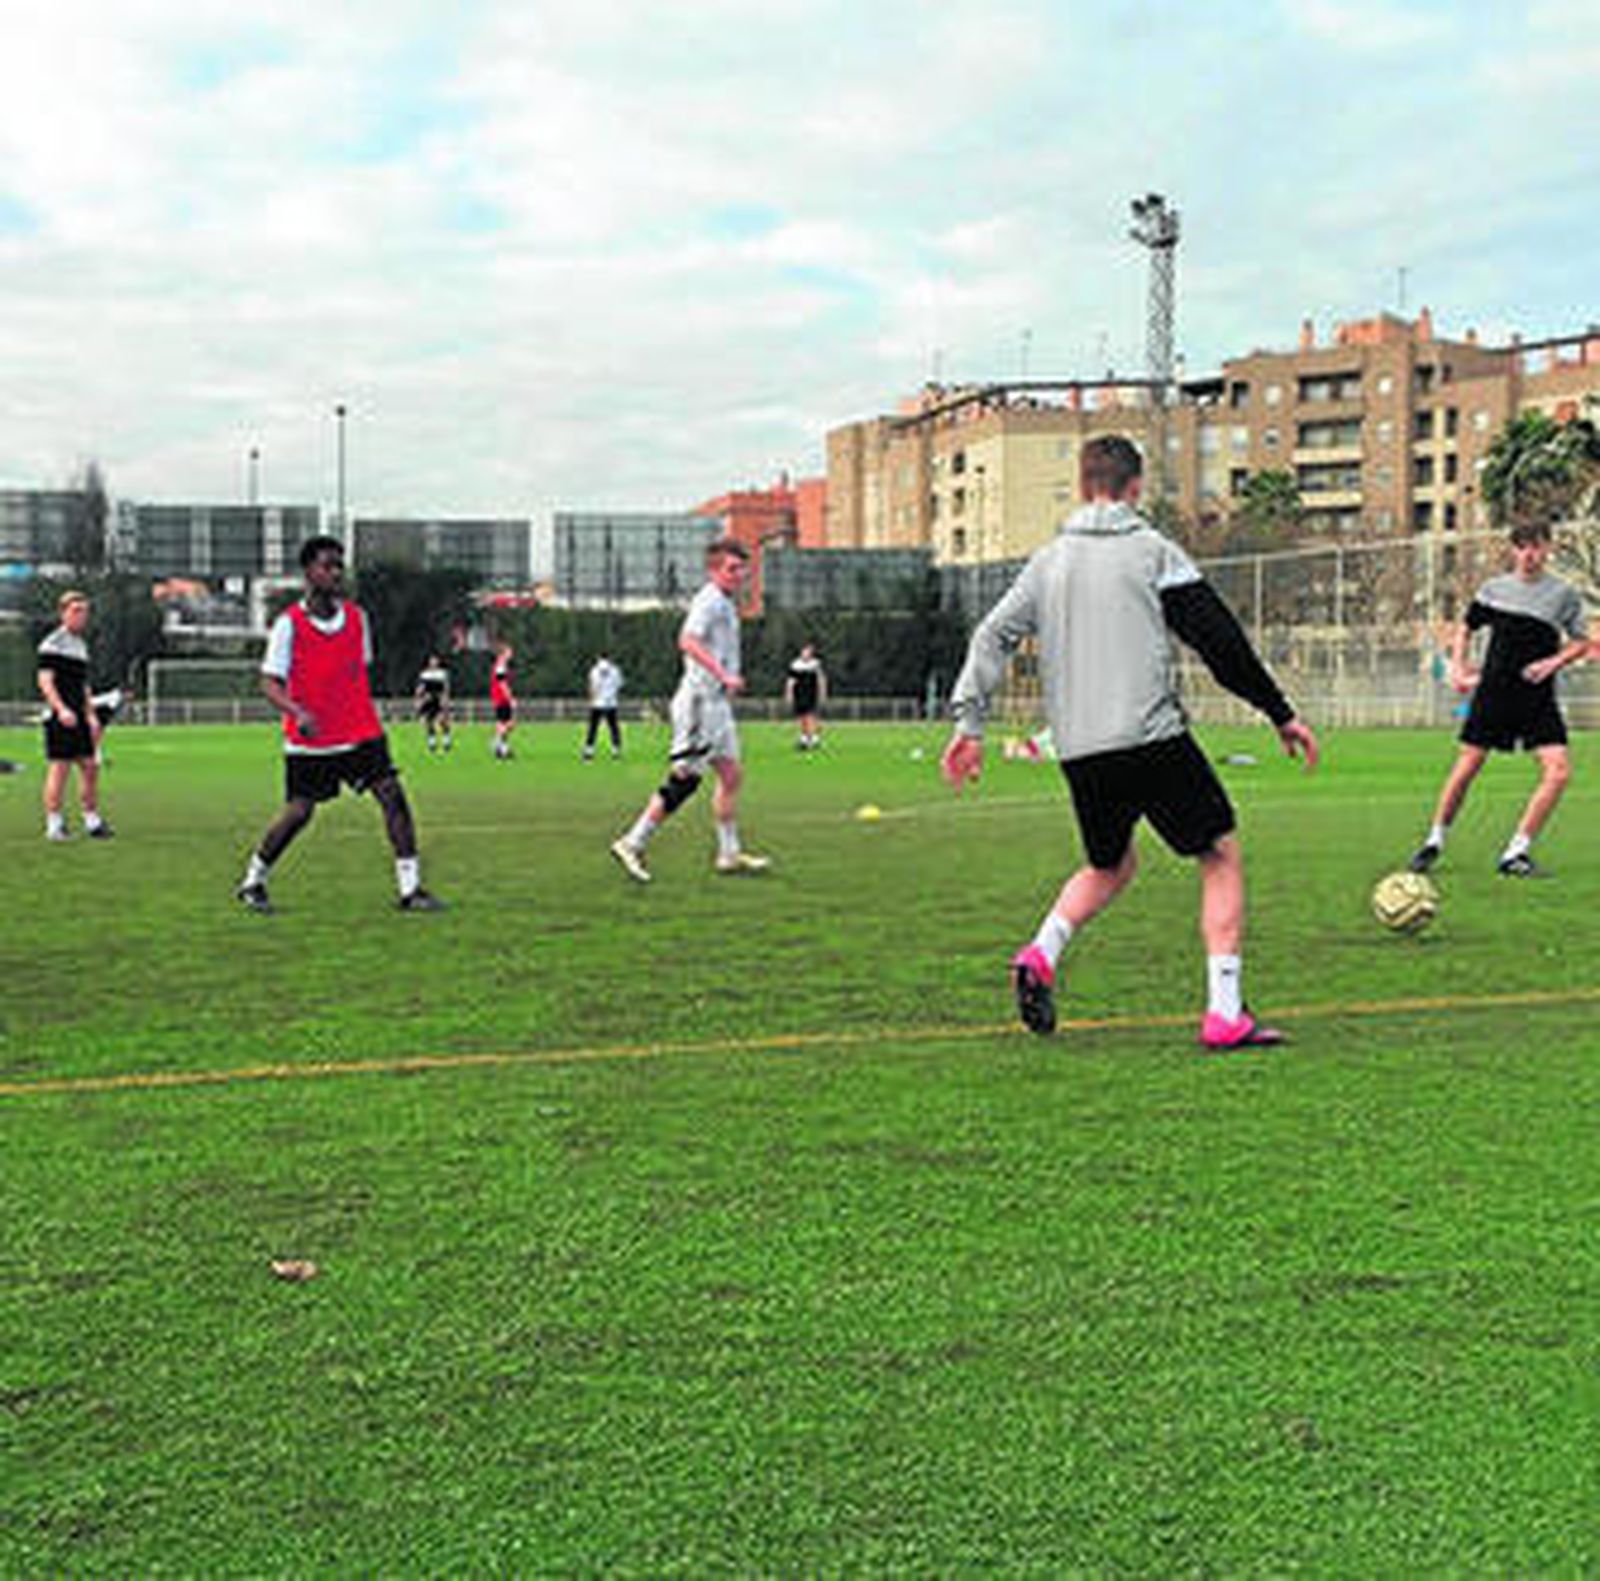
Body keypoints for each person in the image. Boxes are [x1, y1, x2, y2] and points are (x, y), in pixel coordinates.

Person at [941, 435, 1319, 1048]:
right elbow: (1219, 642)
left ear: (1085, 484)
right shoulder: (1154, 551)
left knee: (1109, 864)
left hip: (1081, 750)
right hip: (1150, 736)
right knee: (1219, 853)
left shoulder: (1046, 562)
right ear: (1135, 488)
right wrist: (1279, 713)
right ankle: (1225, 1011)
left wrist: (970, 726)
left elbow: (990, 637)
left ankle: (1042, 952)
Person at [236, 536, 442, 914]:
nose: (334, 573)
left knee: (393, 797)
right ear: (308, 573)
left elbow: (356, 672)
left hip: (360, 730)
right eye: (326, 566)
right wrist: (297, 712)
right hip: (312, 738)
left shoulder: (357, 619)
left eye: (338, 566)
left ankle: (410, 890)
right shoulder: (288, 625)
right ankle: (253, 880)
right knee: (299, 813)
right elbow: (268, 682)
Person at [1408, 521, 1590, 878]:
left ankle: (1516, 852)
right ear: (1513, 550)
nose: (1529, 554)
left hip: (1537, 698)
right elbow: (1466, 627)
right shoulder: (1494, 590)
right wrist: (1458, 668)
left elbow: (1581, 642)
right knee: (1466, 769)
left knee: (1558, 773)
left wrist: (1553, 662)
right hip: (1494, 694)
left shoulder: (1563, 594)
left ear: (1548, 549)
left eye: (1536, 546)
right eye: (1522, 546)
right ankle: (1433, 842)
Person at [610, 538, 769, 882]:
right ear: (714, 570)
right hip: (699, 703)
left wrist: (726, 680)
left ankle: (729, 853)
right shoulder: (709, 601)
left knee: (731, 775)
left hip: (717, 705)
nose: (739, 575)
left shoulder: (726, 603)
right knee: (685, 780)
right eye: (731, 568)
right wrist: (722, 673)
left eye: (742, 569)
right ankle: (632, 842)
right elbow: (688, 640)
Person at [36, 590, 113, 841]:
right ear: (63, 613)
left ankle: (92, 821)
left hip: (79, 716)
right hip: (60, 717)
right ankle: (54, 825)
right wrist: (61, 709)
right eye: (76, 611)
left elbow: (83, 686)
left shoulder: (80, 646)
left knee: (90, 767)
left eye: (85, 611)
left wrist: (90, 714)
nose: (81, 616)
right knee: (60, 769)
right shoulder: (52, 644)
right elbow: (45, 681)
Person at [785, 642, 828, 750]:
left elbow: (821, 679)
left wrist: (823, 692)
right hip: (799, 694)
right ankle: (804, 738)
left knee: (811, 716)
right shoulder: (795, 665)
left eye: (808, 652)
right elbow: (790, 682)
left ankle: (814, 739)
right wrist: (789, 694)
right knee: (802, 717)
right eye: (805, 651)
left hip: (812, 694)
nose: (806, 654)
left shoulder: (815, 664)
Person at [583, 651, 624, 760]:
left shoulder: (594, 670)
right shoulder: (615, 670)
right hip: (611, 703)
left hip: (597, 703)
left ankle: (589, 751)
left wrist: (591, 699)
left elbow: (592, 687)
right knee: (613, 728)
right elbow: (619, 685)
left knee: (593, 728)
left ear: (599, 658)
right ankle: (616, 751)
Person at [414, 654, 453, 753]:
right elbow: (420, 688)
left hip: (439, 699)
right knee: (429, 722)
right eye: (432, 661)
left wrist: (446, 699)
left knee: (443, 720)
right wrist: (419, 698)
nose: (434, 662)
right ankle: (432, 743)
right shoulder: (424, 674)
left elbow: (446, 687)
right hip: (428, 699)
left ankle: (446, 742)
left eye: (435, 661)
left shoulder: (442, 674)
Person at [490, 642, 517, 760]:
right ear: (503, 653)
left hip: (498, 698)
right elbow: (502, 684)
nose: (511, 654)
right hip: (501, 699)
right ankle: (496, 743)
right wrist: (510, 698)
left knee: (503, 724)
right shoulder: (500, 666)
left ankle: (502, 749)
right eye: (509, 652)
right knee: (509, 724)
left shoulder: (501, 665)